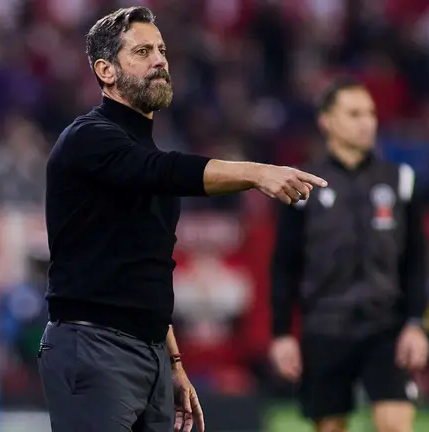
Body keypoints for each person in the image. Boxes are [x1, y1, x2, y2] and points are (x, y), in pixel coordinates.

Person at [38, 7, 328, 432]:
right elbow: (166, 171)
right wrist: (257, 172)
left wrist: (171, 360)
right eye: (141, 51)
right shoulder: (88, 138)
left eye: (161, 49)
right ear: (106, 71)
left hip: (148, 353)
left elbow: (147, 267)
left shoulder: (144, 151)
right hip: (93, 346)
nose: (159, 59)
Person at [269, 77, 429, 432]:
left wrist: (416, 324)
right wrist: (281, 334)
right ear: (326, 121)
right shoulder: (303, 184)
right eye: (354, 113)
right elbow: (284, 265)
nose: (366, 122)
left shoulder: (400, 180)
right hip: (325, 326)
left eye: (371, 113)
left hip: (386, 327)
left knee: (396, 426)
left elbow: (417, 260)